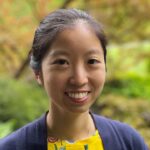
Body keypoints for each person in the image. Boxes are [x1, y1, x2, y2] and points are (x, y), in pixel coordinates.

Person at [0, 8, 148, 150]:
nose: (79, 79)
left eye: (91, 61)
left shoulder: (128, 142)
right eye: (62, 62)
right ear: (38, 72)